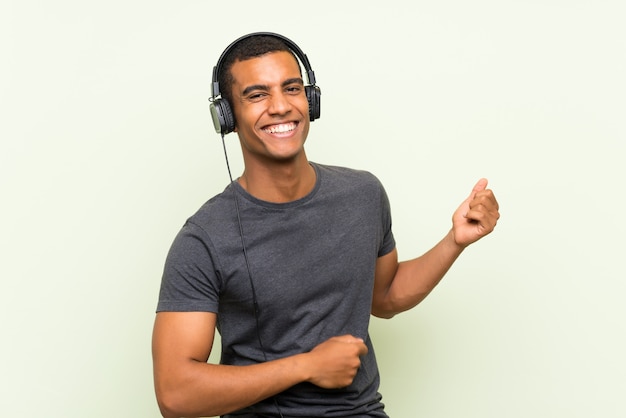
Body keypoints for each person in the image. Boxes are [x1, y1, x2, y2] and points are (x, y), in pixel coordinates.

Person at [152, 32, 500, 418]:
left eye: (292, 88)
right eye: (257, 95)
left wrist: (455, 241)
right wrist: (307, 366)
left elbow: (384, 297)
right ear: (228, 117)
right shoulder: (204, 239)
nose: (280, 106)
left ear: (311, 100)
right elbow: (176, 394)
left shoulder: (363, 194)